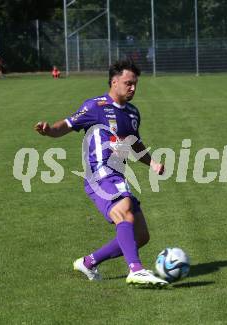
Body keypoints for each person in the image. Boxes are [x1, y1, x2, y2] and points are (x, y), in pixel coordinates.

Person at [34, 59, 168, 287]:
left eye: (135, 84)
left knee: (141, 235)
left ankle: (88, 262)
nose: (133, 88)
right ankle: (136, 269)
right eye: (128, 83)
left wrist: (152, 163)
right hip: (99, 174)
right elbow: (66, 124)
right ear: (114, 82)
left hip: (118, 174)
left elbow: (135, 144)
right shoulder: (95, 106)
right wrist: (49, 131)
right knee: (124, 211)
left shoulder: (133, 114)